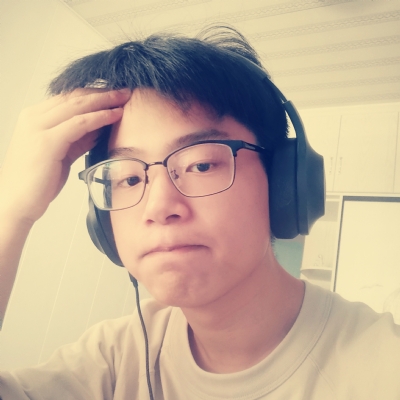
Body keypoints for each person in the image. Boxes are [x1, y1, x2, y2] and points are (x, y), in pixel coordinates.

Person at [0, 26, 399, 400]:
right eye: (128, 178)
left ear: (285, 183)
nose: (159, 208)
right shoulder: (113, 359)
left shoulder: (383, 366)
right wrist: (11, 211)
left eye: (201, 165)